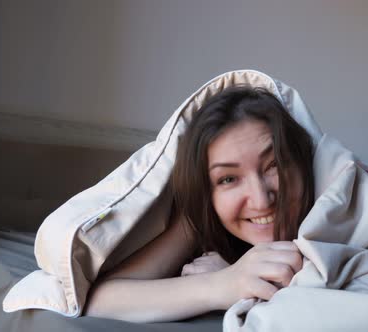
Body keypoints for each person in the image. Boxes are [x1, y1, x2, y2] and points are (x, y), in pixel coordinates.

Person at [84, 86, 316, 323]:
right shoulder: (200, 221)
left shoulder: (338, 214)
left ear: (303, 163)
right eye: (228, 179)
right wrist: (225, 283)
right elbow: (99, 301)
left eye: (274, 165)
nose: (261, 199)